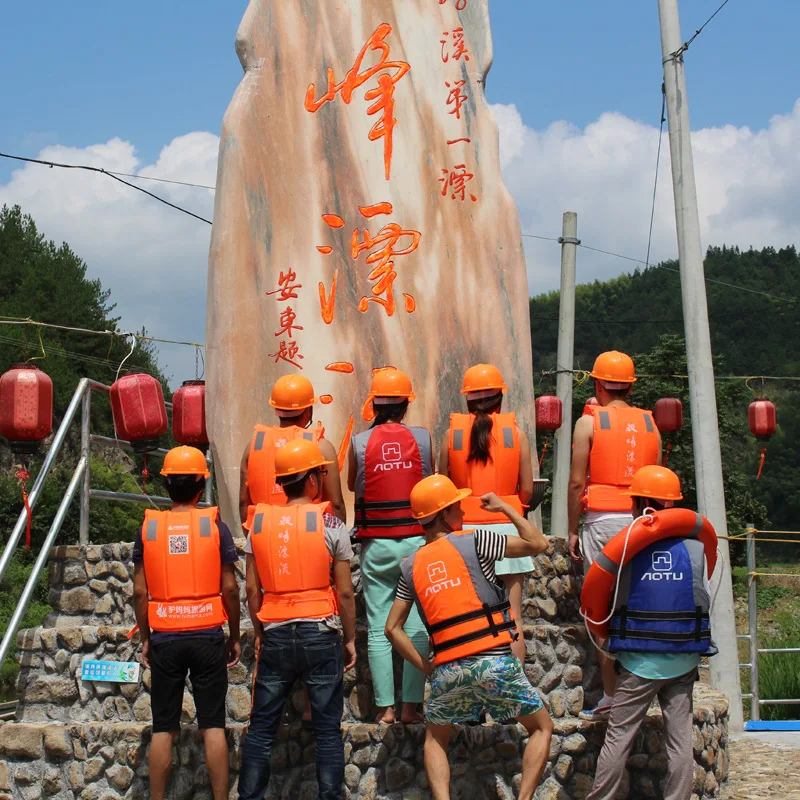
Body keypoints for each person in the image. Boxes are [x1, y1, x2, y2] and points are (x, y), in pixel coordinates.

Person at [385, 475, 553, 800]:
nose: (462, 513)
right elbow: (538, 544)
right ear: (444, 514)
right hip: (494, 662)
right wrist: (505, 507)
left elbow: (391, 628)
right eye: (457, 507)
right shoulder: (476, 541)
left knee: (435, 740)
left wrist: (427, 666)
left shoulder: (410, 566)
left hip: (448, 670)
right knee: (542, 728)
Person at [584, 466, 717, 800]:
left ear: (642, 502)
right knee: (680, 740)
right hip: (685, 659)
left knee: (619, 737)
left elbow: (601, 596)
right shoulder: (696, 547)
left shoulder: (626, 544)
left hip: (639, 660)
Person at [239, 438, 356, 800]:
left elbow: (251, 590)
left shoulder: (258, 523)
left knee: (260, 729)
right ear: (311, 480)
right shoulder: (330, 524)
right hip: (321, 631)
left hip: (274, 632)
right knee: (326, 731)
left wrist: (259, 630)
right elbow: (346, 592)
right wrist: (349, 639)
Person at [132, 446, 241, 800]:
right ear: (200, 484)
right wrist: (235, 634)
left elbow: (138, 592)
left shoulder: (148, 528)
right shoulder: (215, 527)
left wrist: (146, 638)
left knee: (163, 727)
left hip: (165, 636)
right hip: (208, 634)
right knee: (213, 725)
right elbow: (229, 587)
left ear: (166, 483)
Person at [567, 350, 661, 720]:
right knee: (637, 604)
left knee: (602, 608)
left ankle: (611, 694)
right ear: (629, 387)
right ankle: (643, 689)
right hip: (644, 520)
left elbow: (576, 483)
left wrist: (572, 530)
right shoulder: (651, 423)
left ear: (597, 384)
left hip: (603, 520)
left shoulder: (587, 423)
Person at [347, 366, 434, 724]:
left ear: (375, 405)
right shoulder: (424, 439)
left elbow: (356, 486)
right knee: (416, 626)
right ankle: (411, 707)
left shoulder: (359, 442)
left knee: (383, 625)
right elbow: (429, 483)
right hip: (415, 542)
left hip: (377, 545)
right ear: (405, 405)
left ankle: (384, 709)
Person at [439, 363, 534, 662]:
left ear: (466, 399)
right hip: (507, 533)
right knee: (513, 616)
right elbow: (528, 490)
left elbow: (441, 487)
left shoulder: (450, 436)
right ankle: (514, 692)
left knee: (469, 617)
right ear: (500, 399)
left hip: (464, 534)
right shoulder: (516, 434)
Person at [239, 373, 346, 526]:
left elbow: (244, 502)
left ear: (275, 408)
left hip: (264, 537)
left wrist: (254, 539)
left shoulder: (254, 446)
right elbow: (336, 505)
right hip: (309, 535)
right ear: (308, 410)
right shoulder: (321, 446)